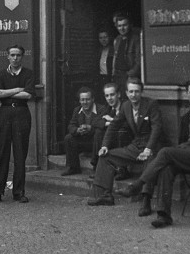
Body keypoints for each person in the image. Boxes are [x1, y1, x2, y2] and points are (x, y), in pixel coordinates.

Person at [118, 78, 190, 229]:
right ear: (187, 94)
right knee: (166, 169)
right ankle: (164, 215)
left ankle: (138, 185)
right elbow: (182, 141)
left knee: (165, 152)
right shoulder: (185, 117)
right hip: (189, 155)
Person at [87, 78, 162, 218]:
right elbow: (114, 125)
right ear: (126, 93)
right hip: (135, 146)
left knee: (149, 162)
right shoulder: (126, 106)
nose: (134, 95)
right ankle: (106, 195)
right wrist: (104, 146)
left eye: (137, 91)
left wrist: (148, 149)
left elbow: (156, 128)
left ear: (141, 92)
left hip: (152, 147)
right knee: (106, 157)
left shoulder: (151, 104)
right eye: (131, 91)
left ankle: (145, 202)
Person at [0, 45, 35, 205]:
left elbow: (28, 95)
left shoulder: (28, 73)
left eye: (18, 55)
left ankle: (19, 192)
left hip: (21, 113)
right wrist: (17, 89)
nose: (15, 58)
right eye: (12, 55)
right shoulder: (0, 74)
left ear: (22, 57)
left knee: (20, 154)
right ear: (7, 56)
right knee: (2, 152)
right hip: (4, 113)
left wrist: (6, 92)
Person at [61, 87, 105, 176]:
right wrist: (77, 130)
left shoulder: (101, 109)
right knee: (69, 138)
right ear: (79, 101)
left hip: (96, 142)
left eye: (87, 99)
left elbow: (102, 125)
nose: (85, 102)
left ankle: (97, 167)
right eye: (82, 100)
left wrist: (90, 128)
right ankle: (73, 167)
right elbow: (71, 125)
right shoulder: (77, 110)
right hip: (83, 140)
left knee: (99, 133)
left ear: (93, 99)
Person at [97, 82, 131, 179]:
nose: (109, 98)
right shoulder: (108, 108)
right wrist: (108, 123)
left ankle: (122, 169)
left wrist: (112, 120)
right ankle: (98, 167)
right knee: (99, 132)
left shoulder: (125, 105)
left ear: (118, 94)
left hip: (128, 136)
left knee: (121, 133)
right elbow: (96, 122)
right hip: (115, 135)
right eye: (107, 96)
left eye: (112, 95)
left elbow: (129, 123)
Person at [111, 13, 141, 98]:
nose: (122, 28)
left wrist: (130, 74)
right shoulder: (117, 39)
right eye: (119, 26)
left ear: (130, 25)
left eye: (124, 25)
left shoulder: (136, 39)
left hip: (129, 75)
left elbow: (139, 60)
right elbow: (115, 57)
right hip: (117, 75)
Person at [96, 29, 114, 100]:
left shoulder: (113, 49)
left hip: (110, 78)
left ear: (109, 37)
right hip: (101, 78)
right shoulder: (98, 50)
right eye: (101, 38)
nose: (103, 40)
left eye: (105, 37)